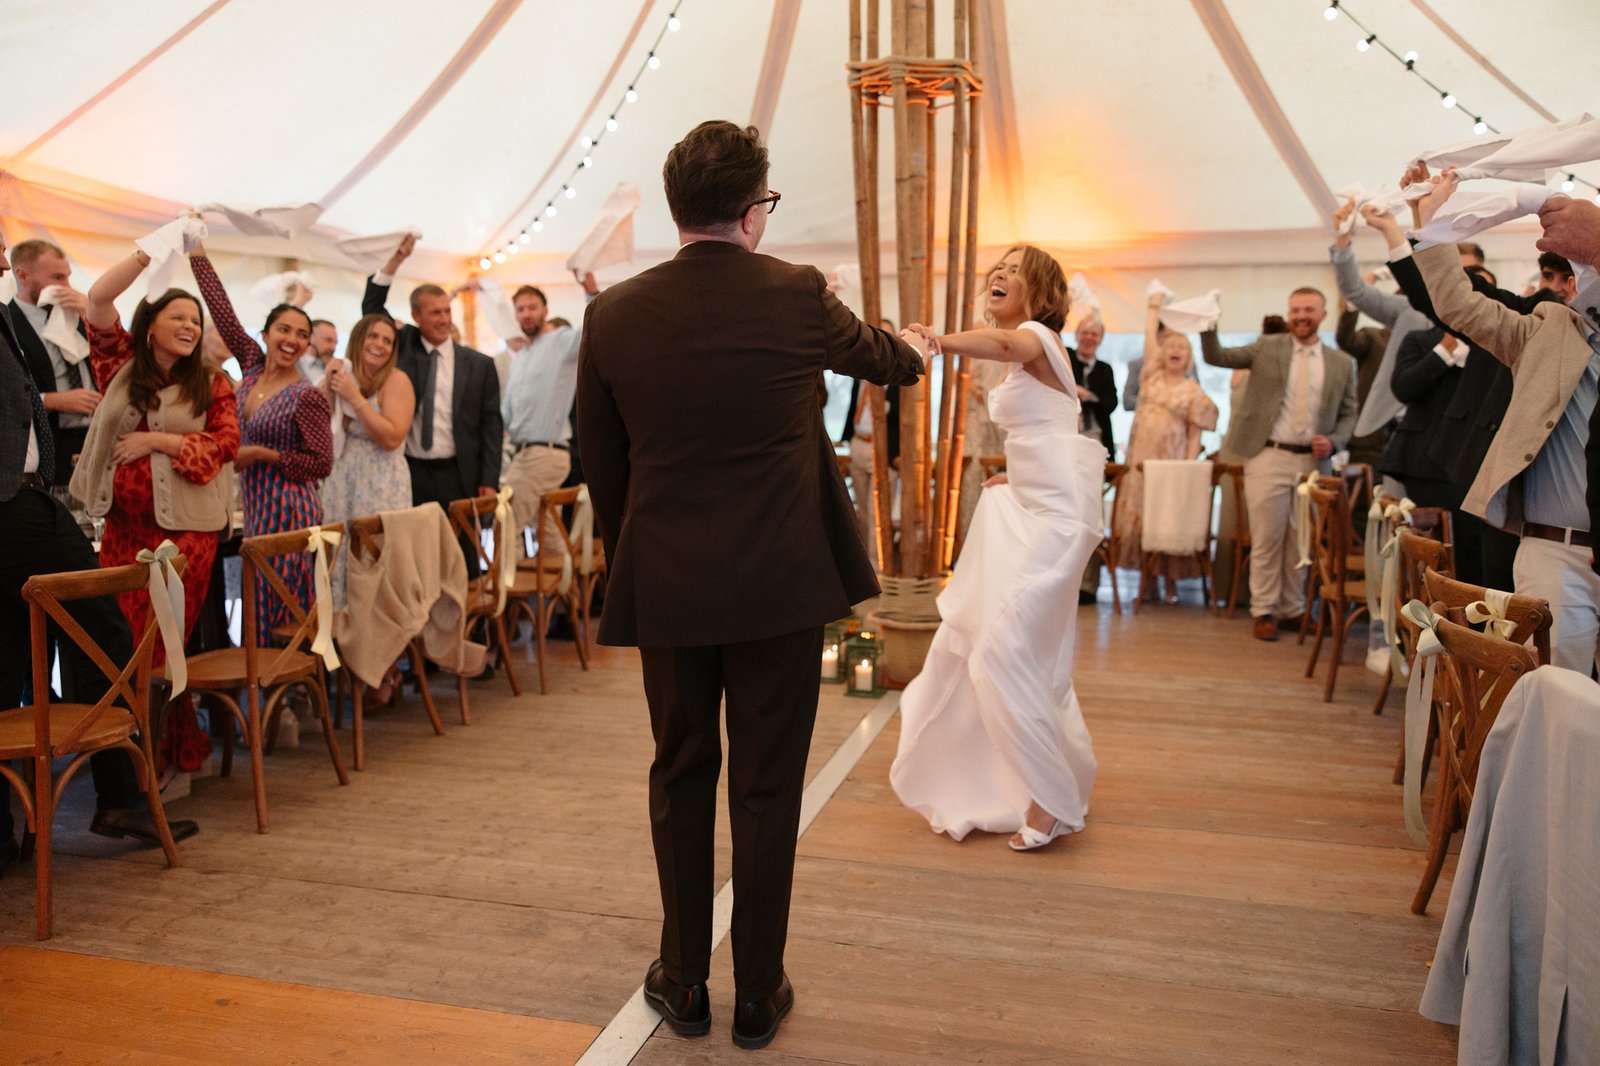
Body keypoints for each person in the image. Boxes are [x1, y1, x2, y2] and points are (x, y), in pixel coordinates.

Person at [577, 120, 924, 1050]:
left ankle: (684, 984)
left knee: (680, 773)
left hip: (670, 591)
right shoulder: (797, 295)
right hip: (780, 586)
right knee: (768, 788)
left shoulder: (611, 313)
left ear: (675, 207)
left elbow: (599, 461)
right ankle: (759, 993)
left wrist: (638, 552)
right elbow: (883, 360)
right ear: (753, 209)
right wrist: (917, 348)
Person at [892, 242, 1102, 856]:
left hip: (1059, 519)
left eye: (1013, 269)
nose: (999, 274)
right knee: (1018, 651)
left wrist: (936, 339)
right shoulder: (1029, 359)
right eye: (996, 269)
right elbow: (1050, 429)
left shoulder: (1033, 336)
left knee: (999, 653)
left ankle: (1052, 800)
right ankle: (1036, 783)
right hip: (1038, 503)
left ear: (1039, 292)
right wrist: (1023, 474)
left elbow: (1005, 346)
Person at [1, 234, 199, 869]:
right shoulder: (118, 357)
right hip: (18, 503)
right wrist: (156, 248)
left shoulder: (203, 381)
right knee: (102, 637)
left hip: (30, 501)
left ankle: (45, 817)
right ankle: (115, 793)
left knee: (32, 653)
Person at [1408, 167, 1600, 673]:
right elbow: (1459, 305)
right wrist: (1432, 227)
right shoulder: (1546, 331)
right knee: (1557, 688)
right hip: (1553, 547)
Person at [78, 245, 240, 774]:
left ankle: (159, 761)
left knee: (158, 649)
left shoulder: (215, 382)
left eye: (196, 319)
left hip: (186, 538)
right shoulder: (121, 364)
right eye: (179, 316)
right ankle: (141, 758)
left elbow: (223, 447)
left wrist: (160, 443)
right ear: (150, 326)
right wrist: (147, 254)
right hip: (123, 531)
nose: (191, 326)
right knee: (119, 647)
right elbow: (99, 299)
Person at [1201, 288, 1359, 641]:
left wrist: (1335, 440)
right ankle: (1264, 610)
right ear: (1288, 314)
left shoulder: (1340, 363)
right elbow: (1217, 356)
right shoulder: (1266, 346)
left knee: (1301, 540)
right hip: (1267, 454)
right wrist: (1207, 323)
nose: (1301, 315)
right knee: (1268, 537)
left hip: (1314, 462)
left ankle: (1294, 609)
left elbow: (1350, 412)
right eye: (1295, 309)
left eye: (1308, 309)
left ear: (1321, 315)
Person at [193, 254, 333, 638]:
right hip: (256, 507)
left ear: (307, 346)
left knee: (287, 604)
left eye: (301, 335)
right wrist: (197, 256)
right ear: (266, 334)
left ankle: (294, 688)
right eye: (284, 330)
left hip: (293, 510)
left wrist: (261, 454)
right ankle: (269, 689)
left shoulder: (306, 395)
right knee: (260, 600)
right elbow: (222, 312)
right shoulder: (251, 367)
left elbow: (322, 463)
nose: (292, 340)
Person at [364, 236, 502, 575]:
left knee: (464, 557)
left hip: (460, 472)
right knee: (419, 557)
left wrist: (489, 479)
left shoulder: (479, 364)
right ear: (416, 315)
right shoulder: (406, 345)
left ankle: (472, 625)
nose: (443, 320)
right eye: (435, 313)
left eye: (446, 311)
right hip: (412, 471)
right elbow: (372, 309)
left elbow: (491, 425)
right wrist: (394, 261)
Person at [1114, 293, 1219, 601]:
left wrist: (1185, 467)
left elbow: (1195, 432)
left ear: (1188, 357)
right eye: (1171, 345)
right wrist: (1152, 309)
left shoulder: (1192, 390)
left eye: (1182, 347)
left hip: (1171, 461)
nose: (1175, 349)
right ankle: (1149, 584)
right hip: (1141, 460)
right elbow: (1150, 341)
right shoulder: (1150, 376)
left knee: (1167, 517)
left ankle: (1170, 582)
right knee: (1144, 516)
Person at [501, 279, 595, 560]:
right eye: (520, 309)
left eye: (532, 307)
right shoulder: (518, 358)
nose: (526, 314)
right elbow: (507, 413)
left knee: (506, 523)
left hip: (545, 452)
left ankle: (511, 600)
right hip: (524, 452)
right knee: (549, 530)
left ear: (545, 310)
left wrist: (590, 291)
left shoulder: (559, 341)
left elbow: (595, 328)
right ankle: (566, 600)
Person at [8, 239, 101, 485]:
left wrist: (92, 316)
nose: (66, 286)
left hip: (93, 437)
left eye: (68, 277)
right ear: (23, 276)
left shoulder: (78, 315)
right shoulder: (8, 324)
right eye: (57, 278)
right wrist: (52, 400)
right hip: (47, 440)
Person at [319, 313, 414, 525]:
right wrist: (329, 382)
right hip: (342, 478)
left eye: (387, 341)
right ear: (358, 339)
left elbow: (391, 439)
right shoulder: (344, 375)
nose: (379, 344)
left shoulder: (397, 380)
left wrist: (354, 397)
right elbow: (327, 429)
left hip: (382, 481)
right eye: (373, 336)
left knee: (376, 551)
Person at [840, 318, 901, 568]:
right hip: (858, 443)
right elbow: (853, 406)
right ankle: (864, 565)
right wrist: (847, 439)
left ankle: (879, 567)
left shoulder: (898, 375)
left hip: (883, 447)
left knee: (878, 511)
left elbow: (903, 418)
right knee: (861, 512)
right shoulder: (861, 372)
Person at [1068, 314, 1117, 457]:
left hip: (1095, 434)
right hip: (1067, 432)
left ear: (1100, 339)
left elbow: (1110, 404)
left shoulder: (1105, 369)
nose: (1089, 338)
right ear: (1076, 335)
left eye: (1094, 334)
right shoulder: (1066, 358)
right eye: (1084, 333)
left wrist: (1088, 396)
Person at [297, 318, 338, 386]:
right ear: (310, 337)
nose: (333, 347)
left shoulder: (336, 369)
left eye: (335, 343)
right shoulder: (294, 364)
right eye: (328, 340)